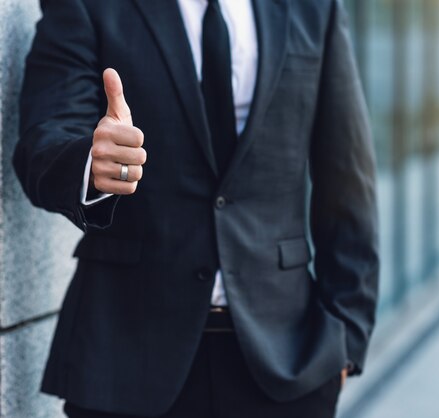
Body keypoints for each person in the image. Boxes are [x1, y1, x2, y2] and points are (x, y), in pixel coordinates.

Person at [13, 0, 379, 416]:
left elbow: (346, 173)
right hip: (124, 356)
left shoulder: (315, 8)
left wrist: (347, 336)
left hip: (287, 357)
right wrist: (90, 163)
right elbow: (43, 139)